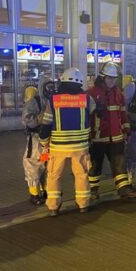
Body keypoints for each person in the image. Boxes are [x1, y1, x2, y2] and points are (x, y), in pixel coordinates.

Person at [38, 68, 94, 216]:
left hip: (58, 147)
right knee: (81, 175)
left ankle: (53, 207)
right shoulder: (87, 99)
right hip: (80, 146)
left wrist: (44, 142)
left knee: (54, 176)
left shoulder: (53, 100)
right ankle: (83, 204)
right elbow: (93, 114)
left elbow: (46, 124)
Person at [87, 62, 136, 199]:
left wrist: (126, 130)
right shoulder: (91, 93)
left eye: (114, 79)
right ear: (102, 78)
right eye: (109, 78)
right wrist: (88, 135)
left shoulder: (118, 93)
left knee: (119, 164)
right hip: (98, 136)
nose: (112, 81)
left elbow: (123, 113)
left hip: (116, 136)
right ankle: (93, 191)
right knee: (95, 165)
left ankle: (123, 190)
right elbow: (85, 117)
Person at [21, 75, 51, 205]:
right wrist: (39, 118)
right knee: (33, 164)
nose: (50, 89)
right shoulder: (34, 102)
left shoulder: (53, 100)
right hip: (36, 140)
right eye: (48, 86)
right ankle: (34, 193)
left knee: (46, 165)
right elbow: (26, 119)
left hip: (47, 141)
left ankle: (46, 190)